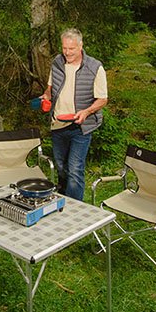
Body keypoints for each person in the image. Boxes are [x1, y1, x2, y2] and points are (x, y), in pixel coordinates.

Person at [41, 28, 108, 201]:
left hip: (81, 126)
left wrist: (86, 111)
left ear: (80, 46)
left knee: (75, 168)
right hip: (58, 124)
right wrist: (46, 96)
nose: (67, 52)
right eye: (64, 48)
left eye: (71, 48)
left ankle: (75, 207)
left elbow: (102, 99)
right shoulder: (57, 62)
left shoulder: (95, 67)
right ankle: (62, 200)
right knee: (61, 167)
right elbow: (50, 88)